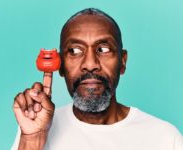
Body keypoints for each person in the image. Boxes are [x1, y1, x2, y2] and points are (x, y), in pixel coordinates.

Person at [11, 8, 183, 150]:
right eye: (75, 51)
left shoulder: (164, 138)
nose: (90, 64)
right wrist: (33, 139)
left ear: (122, 62)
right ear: (61, 66)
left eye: (103, 49)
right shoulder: (34, 128)